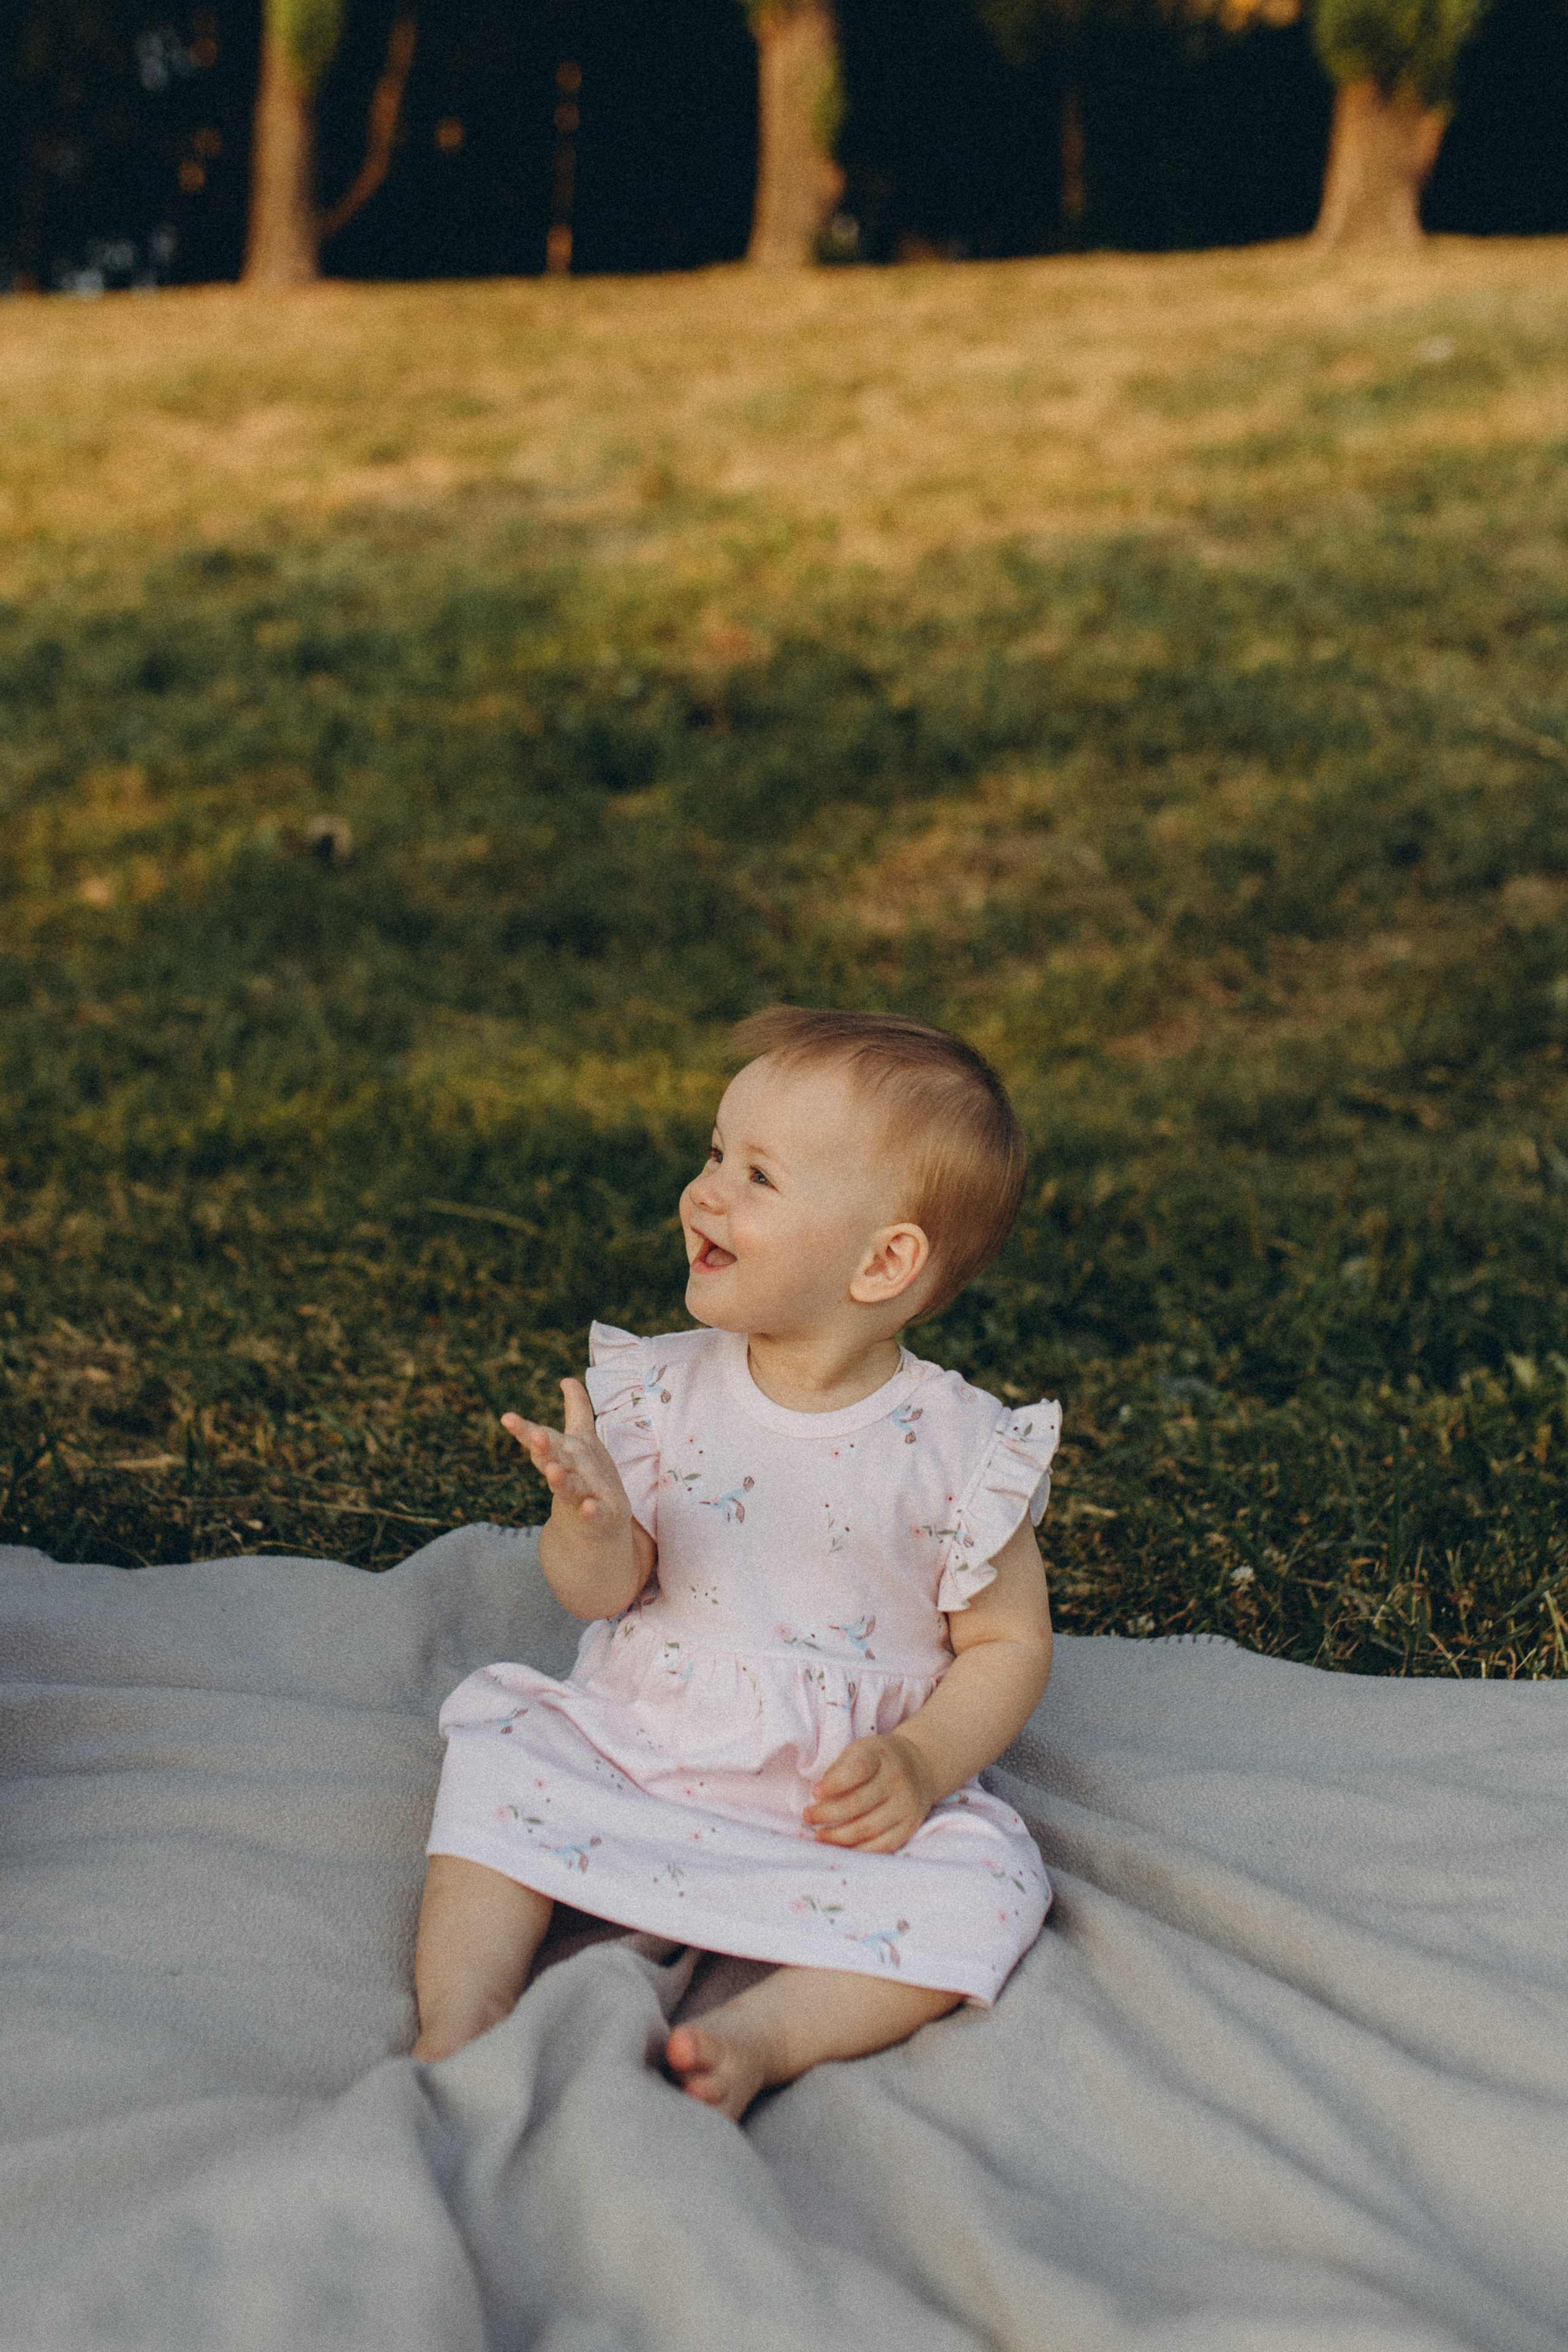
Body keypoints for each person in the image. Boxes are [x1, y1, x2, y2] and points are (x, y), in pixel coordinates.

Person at [413, 1006, 1060, 2120]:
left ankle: (763, 2035)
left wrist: (918, 1762)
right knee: (500, 1755)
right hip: (642, 1742)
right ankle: (458, 2018)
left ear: (884, 1260)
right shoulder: (664, 1393)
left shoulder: (959, 1452)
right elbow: (601, 1594)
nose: (703, 1191)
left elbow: (1007, 1643)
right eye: (716, 1152)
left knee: (990, 1888)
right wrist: (594, 1521)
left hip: (834, 1790)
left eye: (757, 1176)